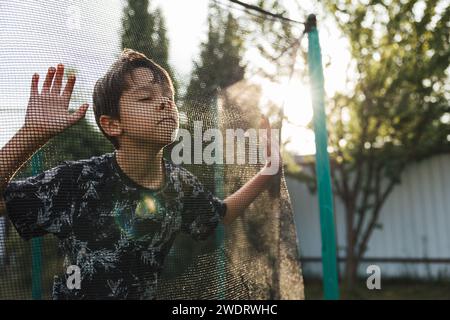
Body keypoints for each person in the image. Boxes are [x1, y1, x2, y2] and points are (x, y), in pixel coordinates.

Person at [0, 49, 281, 299]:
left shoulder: (180, 187)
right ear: (112, 125)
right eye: (146, 97)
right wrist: (31, 133)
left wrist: (268, 172)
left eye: (169, 98)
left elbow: (220, 215)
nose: (165, 103)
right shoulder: (78, 182)